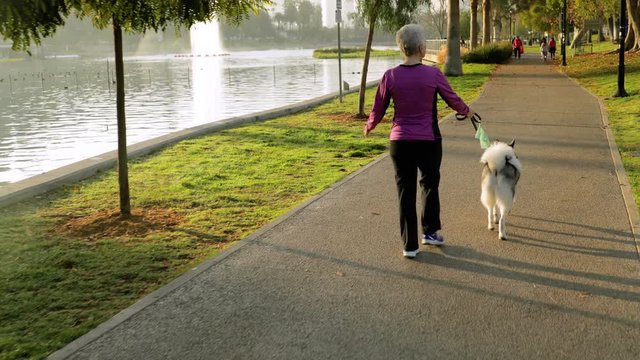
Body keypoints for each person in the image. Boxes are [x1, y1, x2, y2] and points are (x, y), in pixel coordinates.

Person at [363, 24, 475, 259]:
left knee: (405, 191)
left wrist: (370, 125)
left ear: (402, 49)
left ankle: (410, 246)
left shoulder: (390, 76)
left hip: (400, 142)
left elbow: (378, 107)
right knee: (429, 185)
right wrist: (468, 111)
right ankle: (430, 232)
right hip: (428, 141)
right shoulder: (433, 74)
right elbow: (452, 98)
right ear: (423, 49)